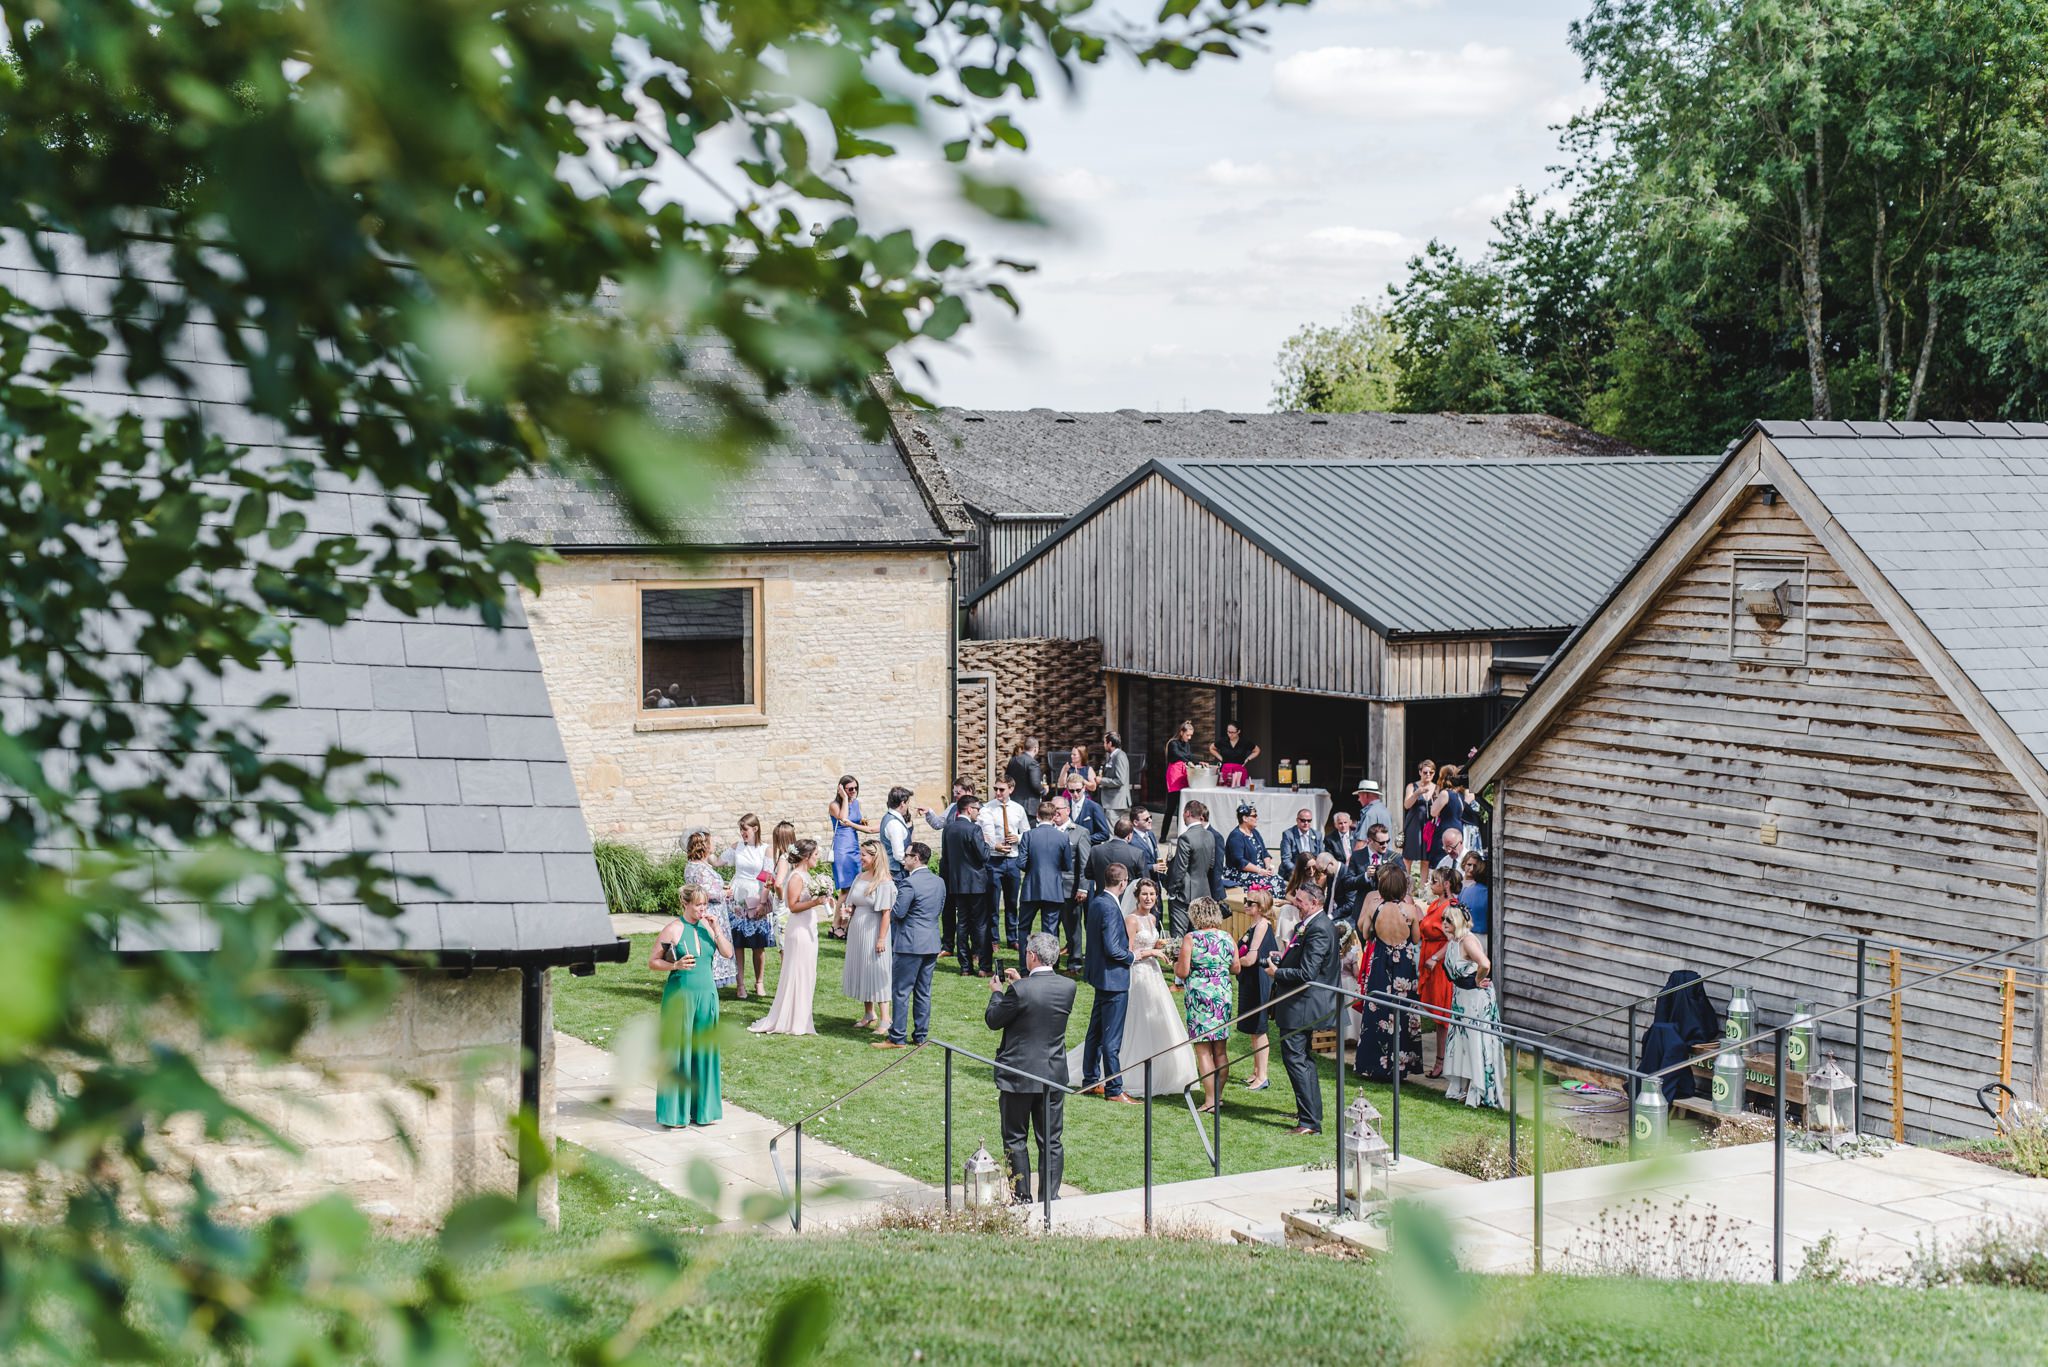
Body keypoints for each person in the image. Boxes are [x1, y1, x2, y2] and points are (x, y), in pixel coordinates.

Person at [986, 931, 1076, 1203]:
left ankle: (1022, 1198)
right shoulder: (1068, 987)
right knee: (1051, 1140)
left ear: (1032, 956)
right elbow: (1038, 1005)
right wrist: (1019, 985)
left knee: (1015, 1139)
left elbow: (994, 1019)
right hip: (1053, 1073)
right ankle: (1050, 1198)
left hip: (1019, 1074)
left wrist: (998, 993)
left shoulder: (1020, 990)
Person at [652, 884, 730, 1127]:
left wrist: (717, 930)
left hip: (707, 997)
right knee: (678, 1053)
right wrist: (674, 966)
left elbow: (727, 953)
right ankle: (675, 1113)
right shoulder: (673, 929)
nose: (702, 909)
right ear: (685, 904)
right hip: (681, 997)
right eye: (698, 905)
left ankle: (703, 1111)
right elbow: (653, 962)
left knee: (704, 1053)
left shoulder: (708, 927)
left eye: (704, 904)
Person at [1115, 879, 1199, 1097]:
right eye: (1145, 894)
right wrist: (1152, 952)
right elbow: (1127, 952)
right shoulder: (1131, 920)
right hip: (1138, 974)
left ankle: (1168, 1068)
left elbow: (1151, 943)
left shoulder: (1153, 918)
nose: (1149, 898)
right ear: (1136, 896)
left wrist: (1162, 947)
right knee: (1139, 1019)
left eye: (1152, 894)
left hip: (1154, 975)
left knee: (1161, 1018)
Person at [1267, 881, 1339, 1136]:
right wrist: (1283, 958)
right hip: (1300, 1004)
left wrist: (1278, 972)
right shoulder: (1311, 924)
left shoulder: (1319, 928)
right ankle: (1307, 1113)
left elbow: (1308, 972)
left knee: (1297, 1060)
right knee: (1301, 1060)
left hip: (1303, 1005)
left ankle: (1309, 1122)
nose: (1295, 903)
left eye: (1300, 900)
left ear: (1315, 903)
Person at [750, 838, 827, 1036]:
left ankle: (801, 1017)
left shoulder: (807, 875)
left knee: (808, 972)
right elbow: (793, 906)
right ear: (806, 857)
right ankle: (792, 1020)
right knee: (798, 972)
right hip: (799, 930)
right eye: (816, 855)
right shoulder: (796, 877)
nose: (818, 858)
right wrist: (816, 902)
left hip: (808, 927)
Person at [1078, 863, 1138, 1103]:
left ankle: (1091, 1080)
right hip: (1113, 979)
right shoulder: (1111, 907)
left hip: (1101, 977)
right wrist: (1132, 957)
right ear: (1123, 884)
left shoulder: (1097, 901)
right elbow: (1113, 948)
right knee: (1111, 1039)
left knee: (1095, 1033)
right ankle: (1114, 1089)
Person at [1357, 862, 1422, 1082]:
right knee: (1403, 1013)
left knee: (1377, 1011)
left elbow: (1365, 934)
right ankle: (1402, 1067)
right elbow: (1415, 939)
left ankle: (1375, 1064)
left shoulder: (1376, 908)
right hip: (1403, 963)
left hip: (1381, 961)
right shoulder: (1410, 910)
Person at [876, 843, 945, 1048]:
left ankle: (897, 1036)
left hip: (909, 943)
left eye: (906, 856)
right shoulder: (939, 881)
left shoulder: (909, 884)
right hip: (931, 942)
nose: (903, 859)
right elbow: (938, 909)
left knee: (901, 991)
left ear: (916, 858)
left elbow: (898, 912)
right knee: (924, 991)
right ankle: (921, 1036)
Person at [1440, 902, 1504, 1109]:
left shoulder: (1468, 941)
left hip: (1475, 999)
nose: (1444, 924)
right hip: (1461, 998)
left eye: (1448, 920)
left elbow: (1485, 964)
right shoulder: (1453, 942)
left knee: (1476, 1041)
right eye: (1443, 920)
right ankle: (1462, 1087)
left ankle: (1479, 1089)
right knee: (1462, 1043)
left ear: (1458, 921)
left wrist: (1477, 980)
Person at [1178, 898, 1235, 1110]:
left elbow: (1182, 972)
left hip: (1200, 997)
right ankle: (1217, 1097)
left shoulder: (1191, 938)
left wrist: (1177, 964)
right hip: (1222, 995)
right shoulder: (1227, 937)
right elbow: (1236, 967)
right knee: (1220, 1050)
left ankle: (1210, 1100)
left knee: (1203, 1050)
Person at [839, 840, 896, 1032]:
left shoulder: (884, 881)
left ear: (875, 857)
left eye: (864, 855)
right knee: (863, 970)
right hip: (857, 929)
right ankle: (869, 1013)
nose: (860, 858)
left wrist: (881, 938)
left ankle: (886, 1018)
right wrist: (848, 911)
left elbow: (886, 913)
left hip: (875, 929)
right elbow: (853, 902)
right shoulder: (860, 876)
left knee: (877, 971)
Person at [723, 813, 775, 1000]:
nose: (742, 833)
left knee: (757, 944)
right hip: (737, 896)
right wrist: (701, 851)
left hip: (756, 894)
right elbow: (718, 862)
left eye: (745, 829)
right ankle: (741, 984)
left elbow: (768, 878)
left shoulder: (766, 849)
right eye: (741, 829)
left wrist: (763, 901)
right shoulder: (736, 847)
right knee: (738, 943)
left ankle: (759, 982)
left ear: (755, 828)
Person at [943, 794, 996, 976]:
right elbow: (983, 856)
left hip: (957, 883)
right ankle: (984, 966)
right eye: (977, 809)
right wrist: (987, 844)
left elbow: (947, 859)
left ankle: (965, 966)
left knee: (962, 924)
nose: (978, 813)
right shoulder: (974, 829)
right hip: (976, 884)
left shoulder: (948, 829)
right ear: (969, 809)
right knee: (981, 924)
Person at [1018, 799, 1075, 964]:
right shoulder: (1063, 837)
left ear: (1037, 815)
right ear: (1054, 816)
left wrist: (1033, 866)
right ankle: (1050, 965)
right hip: (1053, 888)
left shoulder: (1028, 835)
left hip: (1031, 887)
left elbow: (1021, 863)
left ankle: (1024, 965)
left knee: (1024, 928)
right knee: (1050, 930)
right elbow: (1067, 865)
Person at [980, 776, 1029, 961]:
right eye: (996, 789)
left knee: (1011, 901)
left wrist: (1018, 837)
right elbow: (983, 833)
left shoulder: (1018, 809)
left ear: (1011, 789)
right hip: (994, 860)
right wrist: (995, 846)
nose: (998, 793)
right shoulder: (988, 808)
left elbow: (1026, 831)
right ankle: (993, 938)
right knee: (992, 902)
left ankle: (1012, 937)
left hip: (1013, 860)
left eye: (1002, 789)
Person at [681, 830, 737, 990]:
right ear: (704, 846)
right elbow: (704, 891)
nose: (714, 845)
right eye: (711, 842)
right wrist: (724, 893)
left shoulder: (697, 865)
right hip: (708, 912)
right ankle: (707, 981)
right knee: (711, 943)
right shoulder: (697, 868)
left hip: (713, 911)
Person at [1233, 889, 1277, 1091]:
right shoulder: (1254, 924)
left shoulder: (1262, 925)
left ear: (1259, 908)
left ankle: (1264, 1076)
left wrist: (1230, 963)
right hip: (1250, 979)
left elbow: (1250, 959)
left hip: (1259, 980)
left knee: (1259, 1029)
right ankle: (1256, 1071)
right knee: (1253, 1028)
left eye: (1249, 903)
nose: (1245, 905)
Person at [1163, 799, 1225, 936]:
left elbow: (1180, 869)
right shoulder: (1210, 835)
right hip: (1204, 890)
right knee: (1200, 935)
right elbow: (1211, 863)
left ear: (1187, 813)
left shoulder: (1186, 837)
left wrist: (1172, 891)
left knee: (1179, 936)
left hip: (1184, 894)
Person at [1054, 796, 1094, 969]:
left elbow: (1084, 863)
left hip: (1070, 887)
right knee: (1051, 926)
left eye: (1058, 810)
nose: (1055, 813)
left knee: (1073, 927)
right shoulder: (1047, 830)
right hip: (1050, 887)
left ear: (1067, 810)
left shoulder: (1080, 832)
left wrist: (1083, 888)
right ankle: (1051, 960)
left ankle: (1075, 962)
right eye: (1052, 809)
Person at [827, 774, 873, 897]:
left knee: (855, 885)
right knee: (846, 889)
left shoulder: (856, 803)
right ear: (841, 789)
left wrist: (862, 821)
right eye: (850, 789)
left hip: (854, 845)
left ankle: (850, 914)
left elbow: (854, 821)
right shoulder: (834, 805)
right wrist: (845, 799)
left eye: (855, 788)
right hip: (842, 847)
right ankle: (839, 916)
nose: (854, 791)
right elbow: (844, 819)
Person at [1223, 804, 1280, 895]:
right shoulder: (1236, 836)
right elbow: (1240, 862)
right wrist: (1260, 871)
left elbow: (1264, 852)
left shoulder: (1254, 832)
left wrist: (1268, 866)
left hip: (1258, 871)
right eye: (1254, 816)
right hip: (1241, 873)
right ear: (1245, 818)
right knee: (1269, 884)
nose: (1256, 818)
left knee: (1279, 880)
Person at [1087, 817, 1147, 895]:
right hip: (1127, 901)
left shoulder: (1095, 850)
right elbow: (1144, 880)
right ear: (1129, 835)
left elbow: (1088, 874)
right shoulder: (1137, 853)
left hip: (1102, 896)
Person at [1403, 758, 1438, 883]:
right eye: (1425, 772)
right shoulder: (1412, 786)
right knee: (1408, 858)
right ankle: (1406, 887)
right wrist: (1416, 794)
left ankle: (1423, 888)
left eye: (1431, 772)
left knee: (1426, 859)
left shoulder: (1437, 787)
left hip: (1429, 826)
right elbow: (1406, 805)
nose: (1428, 775)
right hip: (1414, 824)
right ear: (1420, 772)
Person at [1164, 719, 1197, 827]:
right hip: (1174, 775)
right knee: (1171, 807)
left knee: (1182, 807)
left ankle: (1179, 834)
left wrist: (1197, 762)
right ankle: (1163, 836)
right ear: (1181, 732)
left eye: (1191, 735)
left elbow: (1189, 756)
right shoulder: (1173, 743)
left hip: (1183, 774)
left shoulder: (1187, 744)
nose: (1189, 738)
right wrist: (1189, 761)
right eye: (1188, 735)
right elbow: (1179, 755)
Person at [1005, 738, 1046, 824]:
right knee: (1027, 834)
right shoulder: (1032, 763)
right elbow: (1035, 784)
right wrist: (1043, 790)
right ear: (1035, 748)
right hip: (1029, 808)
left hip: (1012, 804)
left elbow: (1007, 780)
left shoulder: (1012, 760)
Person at [1097, 731, 1133, 824]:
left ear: (1110, 743)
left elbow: (1120, 780)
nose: (1104, 745)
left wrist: (1102, 780)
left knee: (1112, 832)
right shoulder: (1113, 756)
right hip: (1112, 801)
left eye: (1105, 742)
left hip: (1115, 801)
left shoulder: (1119, 756)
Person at [880, 785, 915, 878]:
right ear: (902, 803)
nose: (908, 806)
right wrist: (912, 866)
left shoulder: (889, 817)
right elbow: (898, 855)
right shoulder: (894, 823)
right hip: (897, 872)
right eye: (908, 803)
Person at [1279, 807, 1324, 878]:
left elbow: (1321, 856)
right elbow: (1286, 860)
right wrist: (1299, 872)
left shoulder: (1317, 835)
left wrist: (1314, 870)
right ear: (1297, 820)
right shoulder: (1288, 834)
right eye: (1303, 820)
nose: (1306, 823)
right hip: (1293, 871)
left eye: (1309, 821)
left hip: (1312, 871)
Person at [1460, 852, 1490, 938]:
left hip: (1466, 934)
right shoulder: (1488, 893)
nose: (1472, 869)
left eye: (1475, 866)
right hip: (1481, 935)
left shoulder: (1465, 891)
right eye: (1469, 865)